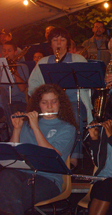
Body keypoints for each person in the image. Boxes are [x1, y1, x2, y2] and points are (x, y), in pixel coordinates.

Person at [0, 84, 77, 215]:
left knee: (8, 199)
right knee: (6, 176)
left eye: (54, 102)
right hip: (21, 174)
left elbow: (52, 156)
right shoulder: (27, 123)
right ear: (38, 105)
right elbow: (12, 156)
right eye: (44, 102)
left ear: (60, 103)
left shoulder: (68, 128)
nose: (49, 106)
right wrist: (17, 129)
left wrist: (36, 128)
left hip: (48, 179)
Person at [28, 27, 92, 166]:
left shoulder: (78, 59)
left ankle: (73, 156)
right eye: (55, 40)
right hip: (49, 102)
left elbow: (87, 82)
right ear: (50, 43)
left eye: (62, 40)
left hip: (74, 100)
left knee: (74, 115)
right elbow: (32, 85)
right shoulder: (43, 62)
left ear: (67, 43)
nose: (58, 43)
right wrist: (43, 93)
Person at [1, 41, 29, 115]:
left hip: (17, 101)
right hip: (2, 102)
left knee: (13, 110)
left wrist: (14, 69)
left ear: (15, 52)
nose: (6, 53)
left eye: (9, 51)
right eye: (4, 50)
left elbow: (22, 88)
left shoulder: (22, 67)